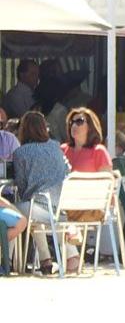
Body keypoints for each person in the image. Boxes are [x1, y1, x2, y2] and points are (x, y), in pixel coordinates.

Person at [13, 111, 74, 274]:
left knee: (13, 210)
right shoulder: (55, 146)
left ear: (23, 130)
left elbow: (21, 186)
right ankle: (59, 258)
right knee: (38, 214)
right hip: (61, 207)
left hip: (39, 207)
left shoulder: (21, 153)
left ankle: (12, 260)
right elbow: (67, 170)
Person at [61, 107, 112, 173]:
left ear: (90, 127)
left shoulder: (99, 151)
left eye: (79, 121)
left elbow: (106, 180)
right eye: (71, 122)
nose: (74, 125)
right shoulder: (62, 150)